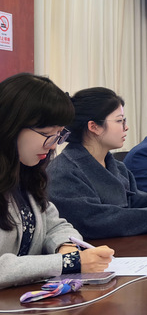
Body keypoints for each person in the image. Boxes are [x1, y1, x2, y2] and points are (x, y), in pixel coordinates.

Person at [0, 73, 113, 289]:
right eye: (46, 134)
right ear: (10, 126)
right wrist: (66, 263)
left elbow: (55, 224)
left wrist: (65, 245)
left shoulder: (26, 173)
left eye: (59, 135)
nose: (53, 145)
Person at [47, 88, 147, 239]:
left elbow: (137, 199)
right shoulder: (63, 171)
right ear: (94, 127)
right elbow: (93, 220)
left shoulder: (118, 167)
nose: (126, 127)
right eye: (119, 121)